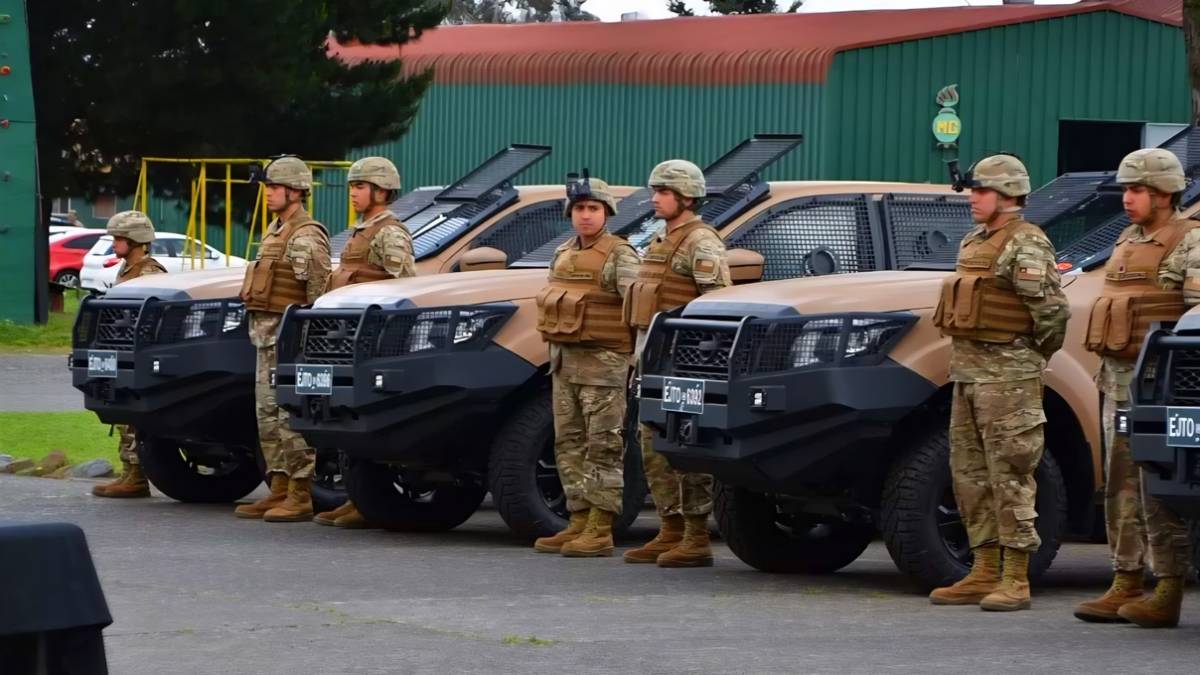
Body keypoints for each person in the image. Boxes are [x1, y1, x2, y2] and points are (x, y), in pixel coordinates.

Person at [928, 154, 1070, 611]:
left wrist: (1028, 360)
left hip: (1009, 378)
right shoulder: (975, 241)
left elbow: (1052, 313)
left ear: (1009, 195)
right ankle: (983, 569)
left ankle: (1015, 578)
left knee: (1010, 474)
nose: (974, 197)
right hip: (967, 375)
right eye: (974, 190)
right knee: (968, 475)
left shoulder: (1026, 243)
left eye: (983, 190)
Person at [1074, 148, 1198, 628]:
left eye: (1138, 190)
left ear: (1165, 194)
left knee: (1156, 486)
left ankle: (1167, 588)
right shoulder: (1128, 239)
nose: (1128, 199)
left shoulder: (1190, 242)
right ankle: (1125, 580)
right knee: (1120, 484)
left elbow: (1194, 321)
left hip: (1161, 388)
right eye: (1126, 189)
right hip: (1117, 379)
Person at [623, 160, 731, 568]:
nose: (654, 198)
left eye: (663, 192)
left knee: (687, 448)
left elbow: (717, 305)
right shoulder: (662, 240)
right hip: (654, 360)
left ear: (686, 197)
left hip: (687, 366)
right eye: (655, 191)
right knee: (652, 446)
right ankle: (670, 527)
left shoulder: (701, 242)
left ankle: (696, 535)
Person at [532, 172, 639, 557]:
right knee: (568, 443)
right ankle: (577, 517)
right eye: (579, 208)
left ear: (606, 212)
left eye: (593, 208)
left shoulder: (619, 255)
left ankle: (601, 526)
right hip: (565, 365)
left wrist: (634, 358)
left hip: (603, 366)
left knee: (603, 445)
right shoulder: (563, 253)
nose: (586, 216)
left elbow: (637, 308)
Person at [312, 156, 414, 530]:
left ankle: (368, 501)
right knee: (344, 423)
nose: (353, 193)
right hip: (345, 340)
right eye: (353, 186)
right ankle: (357, 497)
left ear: (382, 191)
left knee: (365, 423)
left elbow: (401, 287)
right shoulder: (362, 231)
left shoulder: (390, 233)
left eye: (360, 186)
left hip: (370, 344)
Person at [234, 157, 331, 523]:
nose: (268, 194)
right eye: (267, 187)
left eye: (274, 187)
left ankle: (300, 493)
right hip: (265, 338)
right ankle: (278, 486)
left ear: (294, 190)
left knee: (289, 416)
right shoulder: (274, 232)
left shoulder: (306, 235)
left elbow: (317, 293)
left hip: (289, 342)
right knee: (267, 416)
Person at [91, 211, 167, 499]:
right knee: (121, 413)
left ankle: (136, 475)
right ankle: (130, 472)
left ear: (135, 240)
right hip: (120, 348)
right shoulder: (126, 269)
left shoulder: (150, 272)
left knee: (133, 414)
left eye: (118, 238)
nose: (114, 243)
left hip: (138, 352)